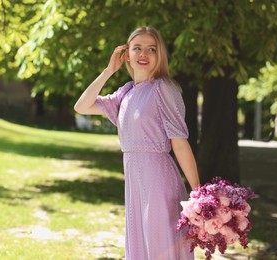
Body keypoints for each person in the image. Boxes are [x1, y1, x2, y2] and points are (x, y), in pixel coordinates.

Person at [74, 26, 200, 260]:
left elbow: (180, 143)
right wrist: (108, 71)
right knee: (141, 245)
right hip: (134, 179)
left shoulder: (164, 88)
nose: (144, 54)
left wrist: (197, 192)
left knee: (160, 244)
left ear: (159, 55)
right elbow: (81, 106)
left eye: (151, 49)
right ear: (127, 54)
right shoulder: (126, 93)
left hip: (158, 179)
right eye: (137, 48)